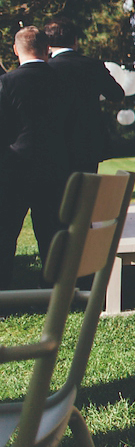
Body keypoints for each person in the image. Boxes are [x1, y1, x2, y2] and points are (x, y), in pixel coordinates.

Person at [0, 27, 70, 288]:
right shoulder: (63, 80)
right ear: (46, 49)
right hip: (56, 167)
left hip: (14, 169)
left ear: (16, 50)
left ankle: (4, 287)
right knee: (51, 232)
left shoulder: (7, 82)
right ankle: (54, 285)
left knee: (5, 234)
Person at [43, 17, 125, 174]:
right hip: (89, 141)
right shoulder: (93, 65)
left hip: (56, 141)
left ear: (48, 44)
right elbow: (116, 94)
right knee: (86, 192)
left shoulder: (45, 69)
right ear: (75, 41)